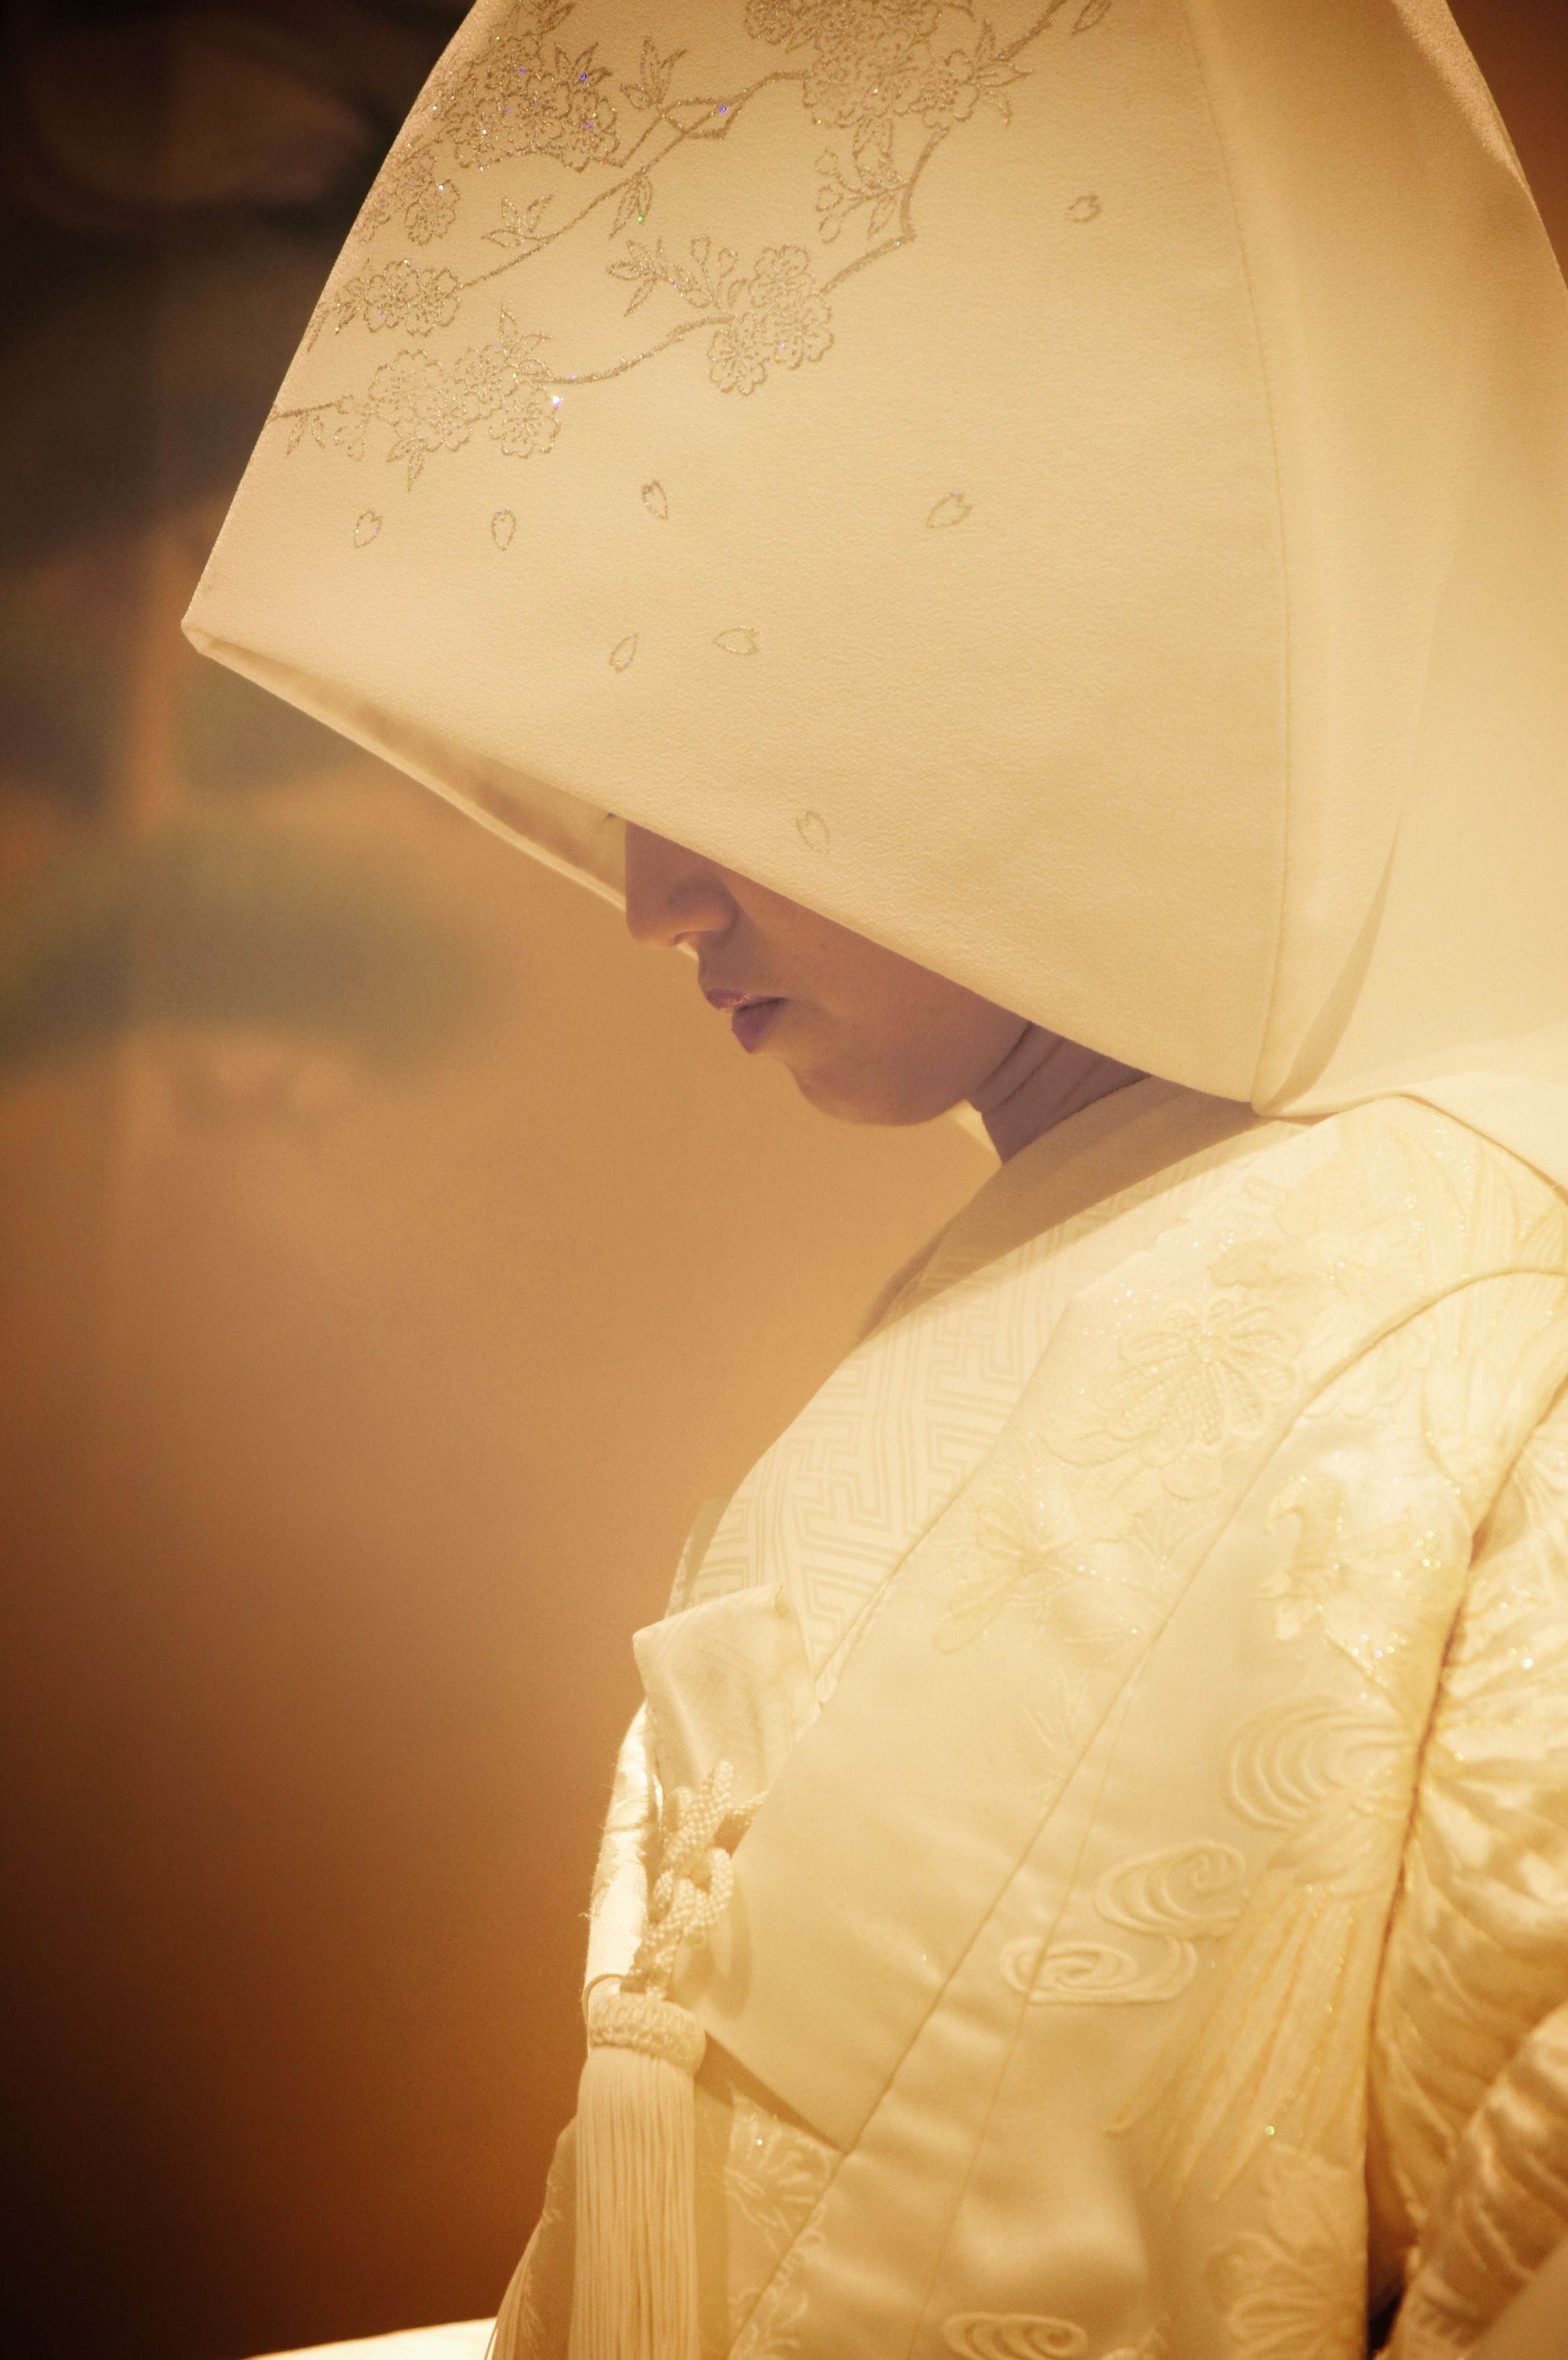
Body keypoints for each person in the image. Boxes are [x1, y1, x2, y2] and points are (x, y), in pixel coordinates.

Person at [186, 1, 1568, 2352]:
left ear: (1077, 673)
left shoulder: (1487, 1324)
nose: (654, 899)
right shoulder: (1102, 1235)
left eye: (741, 747)